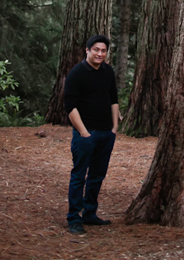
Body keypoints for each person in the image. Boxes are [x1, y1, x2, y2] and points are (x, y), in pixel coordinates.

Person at [63, 34, 120, 235]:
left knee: (97, 176)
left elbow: (114, 99)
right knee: (79, 176)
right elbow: (70, 105)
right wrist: (84, 132)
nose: (100, 54)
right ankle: (73, 218)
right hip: (86, 135)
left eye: (103, 50)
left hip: (106, 134)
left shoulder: (107, 71)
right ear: (87, 51)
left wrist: (114, 128)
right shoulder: (77, 73)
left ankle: (90, 214)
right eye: (96, 49)